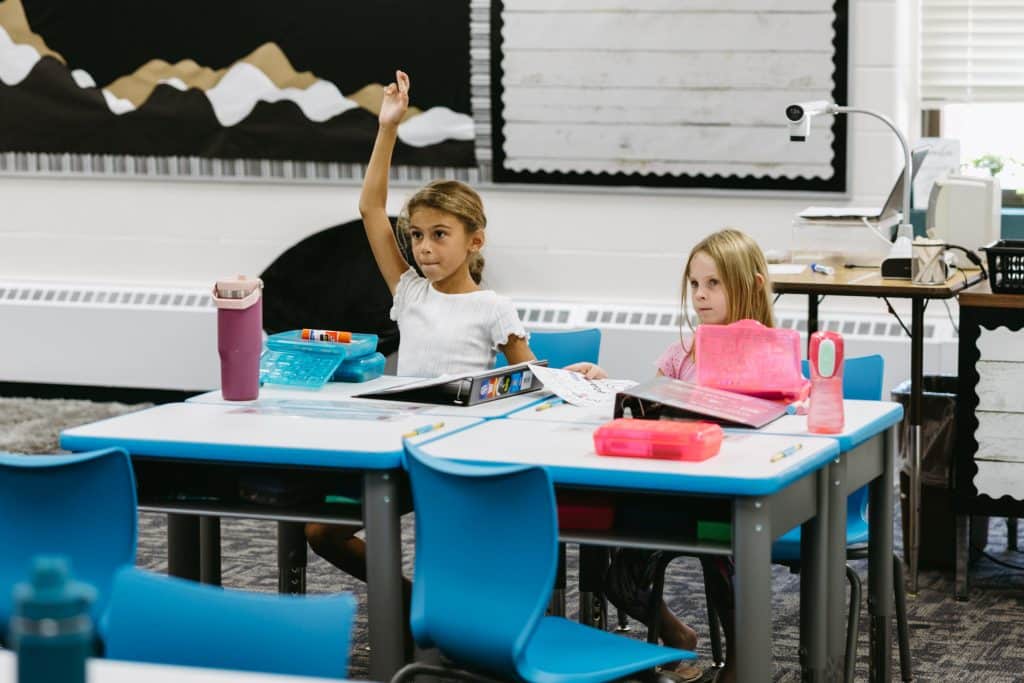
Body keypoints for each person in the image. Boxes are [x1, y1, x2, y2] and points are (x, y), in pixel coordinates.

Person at [603, 228, 774, 683]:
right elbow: (647, 399)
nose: (700, 295)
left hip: (728, 498)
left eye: (714, 283)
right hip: (673, 489)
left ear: (752, 286)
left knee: (724, 557)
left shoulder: (765, 351)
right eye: (695, 284)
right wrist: (607, 386)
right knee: (618, 572)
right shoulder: (682, 350)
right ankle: (675, 633)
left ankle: (740, 660)